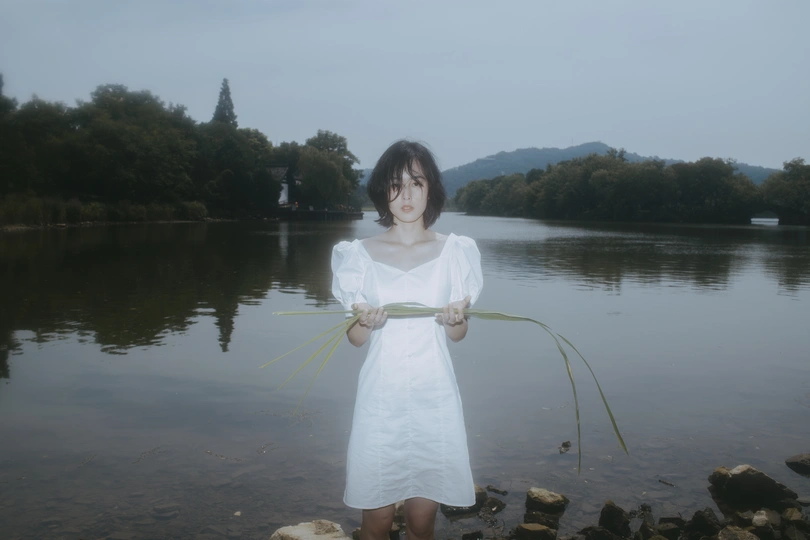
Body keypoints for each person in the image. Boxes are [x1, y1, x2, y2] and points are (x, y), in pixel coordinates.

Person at [331, 140, 483, 540]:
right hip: (382, 400)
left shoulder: (454, 251)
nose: (407, 195)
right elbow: (355, 339)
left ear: (431, 189)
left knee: (421, 521)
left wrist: (455, 318)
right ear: (383, 191)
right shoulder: (359, 255)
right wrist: (366, 322)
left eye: (417, 183)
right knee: (376, 522)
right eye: (396, 185)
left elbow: (458, 335)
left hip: (434, 398)